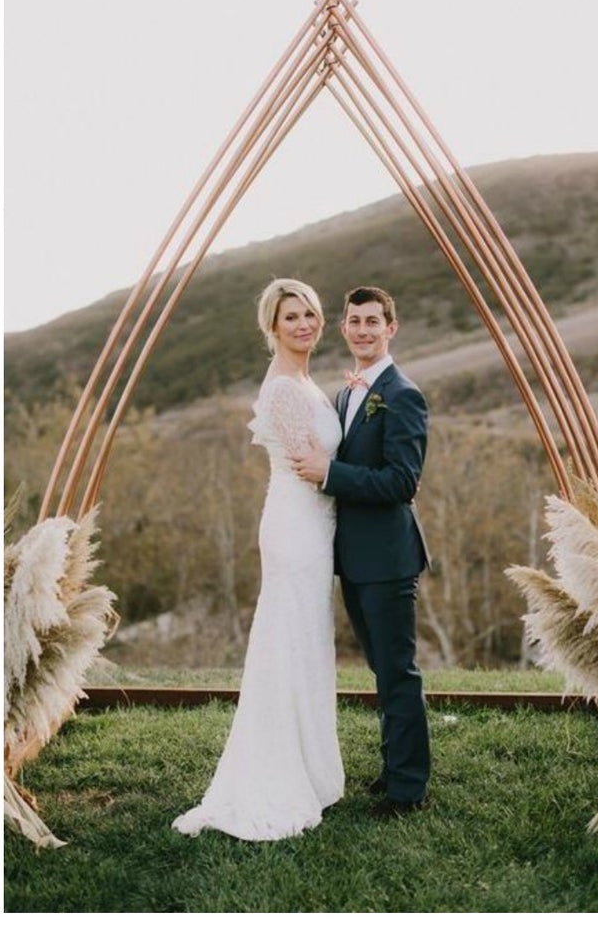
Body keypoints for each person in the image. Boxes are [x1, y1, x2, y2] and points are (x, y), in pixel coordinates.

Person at [173, 278, 344, 840]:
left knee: (307, 642)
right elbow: (309, 466)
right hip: (296, 528)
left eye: (311, 314)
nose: (304, 324)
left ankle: (311, 766)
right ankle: (276, 776)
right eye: (292, 316)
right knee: (287, 640)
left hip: (315, 530)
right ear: (272, 326)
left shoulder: (306, 381)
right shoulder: (282, 390)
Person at [289, 286, 432, 817]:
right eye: (355, 321)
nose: (364, 330)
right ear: (344, 328)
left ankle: (408, 790)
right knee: (381, 669)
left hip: (388, 561)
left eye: (374, 321)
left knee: (398, 672)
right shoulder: (350, 392)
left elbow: (401, 482)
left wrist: (330, 474)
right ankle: (395, 770)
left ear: (391, 328)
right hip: (354, 559)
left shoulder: (402, 394)